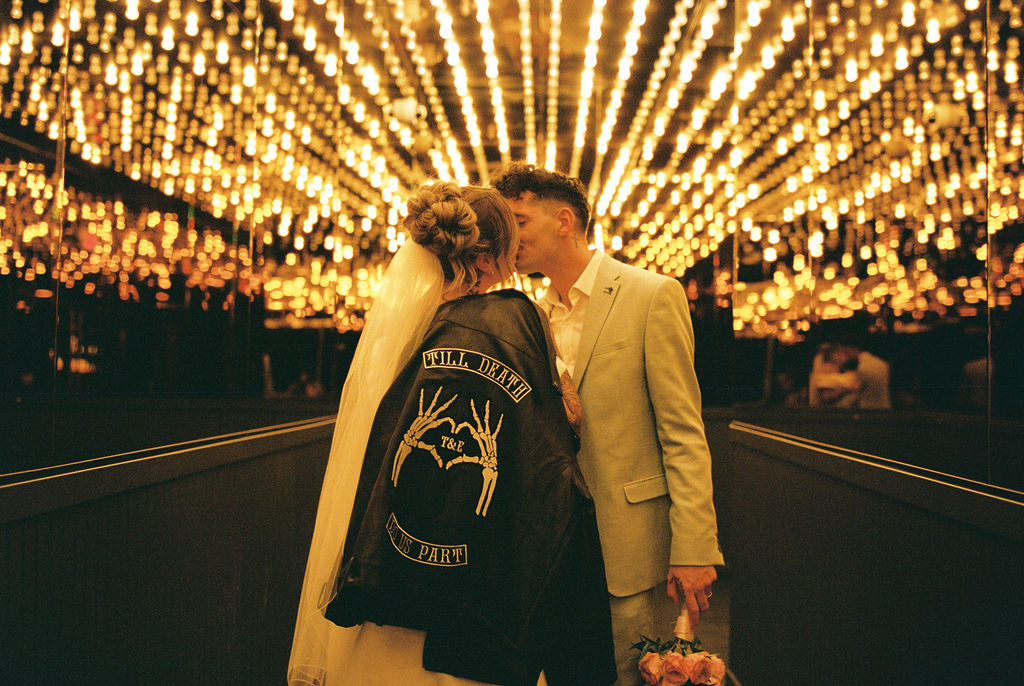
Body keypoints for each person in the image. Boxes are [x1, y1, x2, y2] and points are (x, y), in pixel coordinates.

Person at [287, 182, 615, 686]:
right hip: (477, 586)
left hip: (391, 569)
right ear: (491, 257)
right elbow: (551, 441)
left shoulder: (400, 332)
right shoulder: (510, 325)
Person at [492, 163, 724, 686]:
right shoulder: (530, 315)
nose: (510, 237)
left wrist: (693, 546)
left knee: (631, 673)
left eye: (519, 221)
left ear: (565, 221)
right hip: (550, 544)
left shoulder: (651, 294)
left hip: (630, 544)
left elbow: (683, 432)